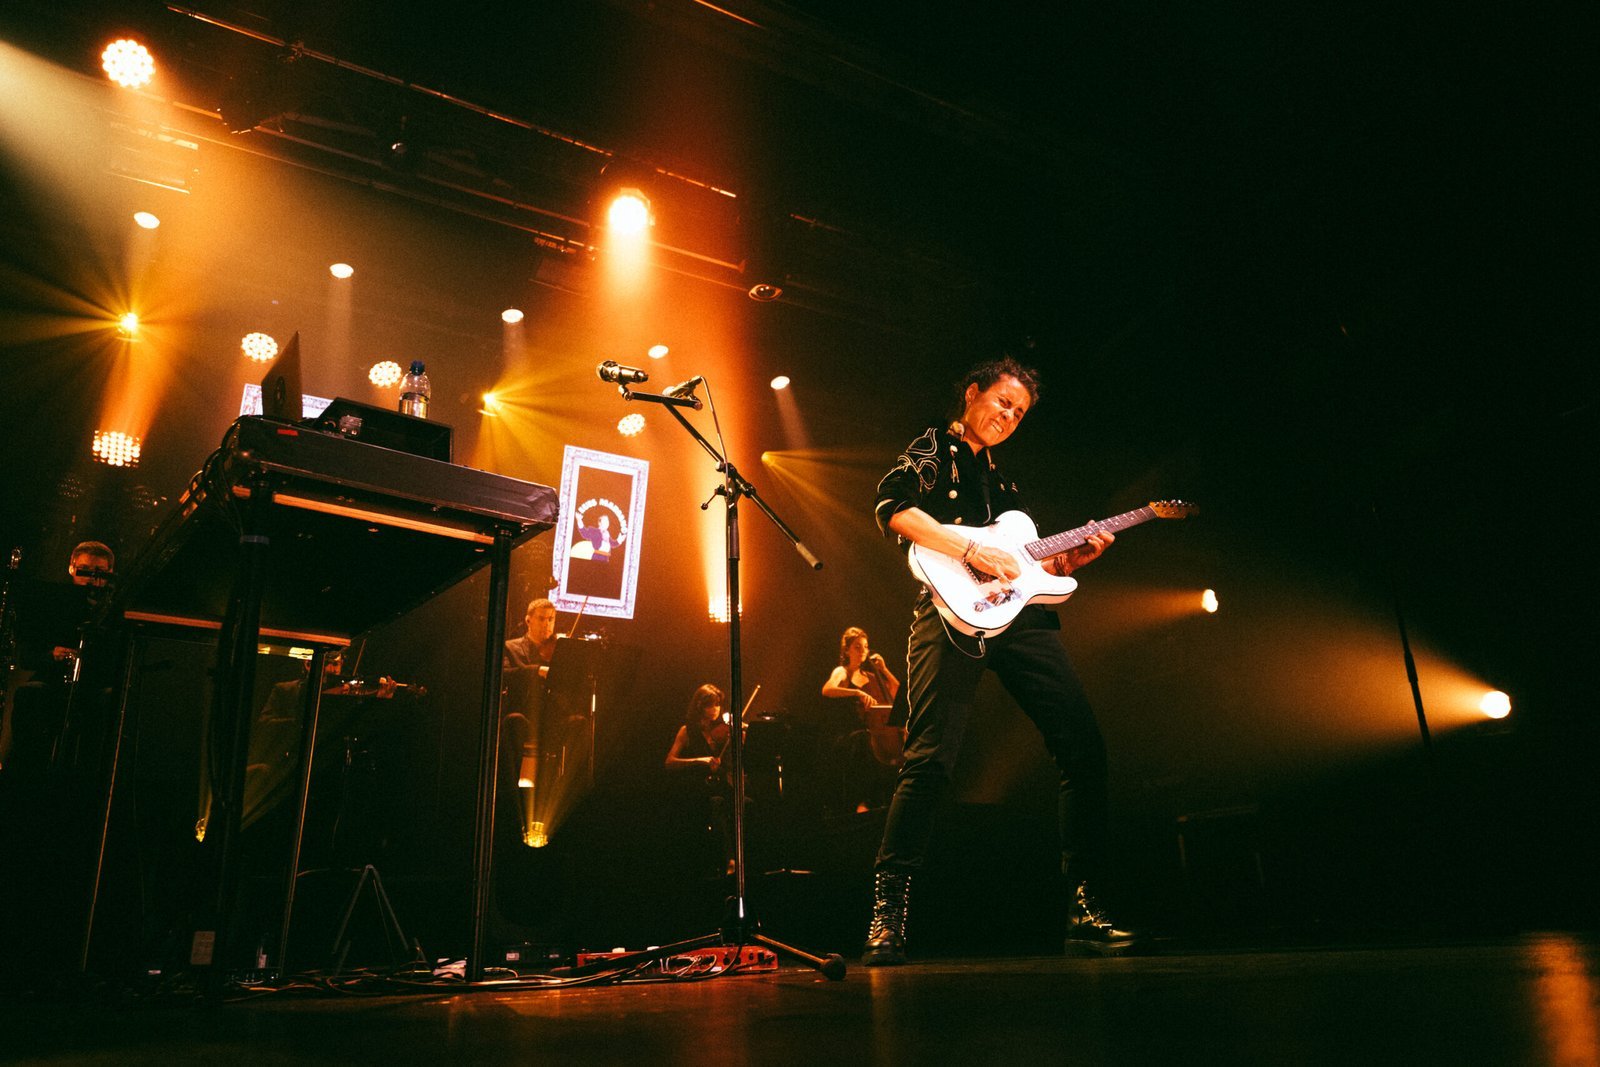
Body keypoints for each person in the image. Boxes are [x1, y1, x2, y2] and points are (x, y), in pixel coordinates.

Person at [862, 355, 1138, 966]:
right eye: (1002, 403)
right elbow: (891, 509)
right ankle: (888, 915)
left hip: (1019, 618)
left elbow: (1027, 566)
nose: (1008, 418)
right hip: (948, 610)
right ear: (972, 393)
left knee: (1084, 749)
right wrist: (970, 550)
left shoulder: (1003, 483)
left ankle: (1085, 907)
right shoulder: (935, 445)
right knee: (929, 760)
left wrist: (1067, 563)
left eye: (1019, 413)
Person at [821, 627, 904, 811]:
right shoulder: (842, 672)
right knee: (865, 743)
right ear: (847, 650)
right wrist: (856, 691)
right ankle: (864, 802)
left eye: (865, 647)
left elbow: (897, 692)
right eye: (857, 647)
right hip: (854, 736)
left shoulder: (871, 676)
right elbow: (827, 689)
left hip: (877, 734)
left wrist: (884, 669)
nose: (863, 651)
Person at [664, 683, 733, 875]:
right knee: (717, 804)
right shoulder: (687, 731)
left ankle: (741, 857)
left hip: (718, 787)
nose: (716, 709)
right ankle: (729, 859)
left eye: (718, 705)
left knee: (745, 803)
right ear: (699, 707)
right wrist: (699, 760)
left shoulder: (721, 731)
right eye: (710, 705)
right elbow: (669, 762)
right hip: (695, 789)